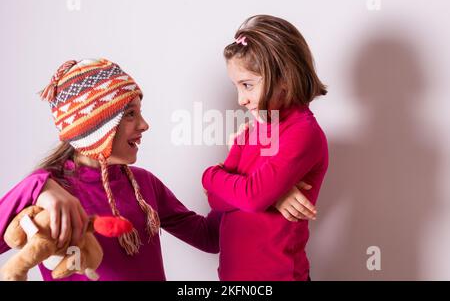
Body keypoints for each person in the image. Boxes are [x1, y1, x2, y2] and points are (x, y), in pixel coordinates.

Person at [0, 58, 312, 281]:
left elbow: (211, 238)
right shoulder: (47, 193)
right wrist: (40, 185)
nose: (145, 125)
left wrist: (264, 189)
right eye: (131, 115)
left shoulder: (144, 184)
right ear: (96, 127)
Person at [202, 15, 329, 280]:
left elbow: (252, 197)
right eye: (236, 86)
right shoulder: (253, 130)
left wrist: (210, 175)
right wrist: (275, 195)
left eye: (247, 85)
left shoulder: (303, 133)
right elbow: (215, 200)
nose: (241, 99)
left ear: (284, 77)